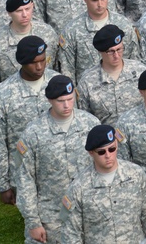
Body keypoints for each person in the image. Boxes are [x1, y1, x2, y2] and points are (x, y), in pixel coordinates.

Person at [14, 75, 101, 244]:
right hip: (52, 214)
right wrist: (33, 222)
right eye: (61, 101)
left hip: (90, 209)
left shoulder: (91, 125)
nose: (67, 105)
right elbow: (25, 179)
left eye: (70, 99)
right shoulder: (33, 133)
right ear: (49, 100)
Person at [0, 36, 60, 204]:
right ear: (22, 62)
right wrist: (2, 184)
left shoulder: (58, 84)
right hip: (24, 171)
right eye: (33, 62)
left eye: (43, 60)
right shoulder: (4, 95)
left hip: (59, 168)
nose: (39, 67)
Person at [59, 124, 146, 243]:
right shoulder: (78, 187)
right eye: (101, 152)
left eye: (112, 149)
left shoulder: (136, 175)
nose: (108, 155)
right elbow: (70, 234)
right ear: (91, 153)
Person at [57, 0, 141, 80]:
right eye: (94, 0)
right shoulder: (72, 30)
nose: (100, 4)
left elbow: (135, 60)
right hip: (89, 89)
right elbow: (67, 70)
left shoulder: (124, 25)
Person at [0, 0, 58, 94]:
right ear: (9, 13)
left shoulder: (48, 33)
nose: (25, 14)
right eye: (19, 11)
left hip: (46, 95)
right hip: (12, 99)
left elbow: (57, 68)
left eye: (28, 9)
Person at [76, 24, 146, 126]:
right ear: (100, 52)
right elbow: (84, 118)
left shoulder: (140, 71)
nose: (116, 55)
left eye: (119, 49)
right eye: (110, 52)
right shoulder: (87, 81)